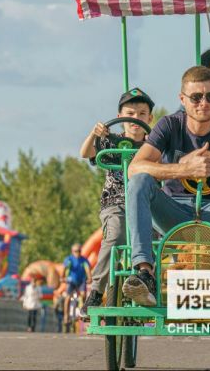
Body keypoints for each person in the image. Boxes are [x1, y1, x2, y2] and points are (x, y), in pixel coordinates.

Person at [121, 66, 210, 306]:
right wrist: (183, 169)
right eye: (196, 97)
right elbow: (134, 168)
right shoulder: (169, 125)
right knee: (140, 181)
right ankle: (144, 273)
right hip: (173, 215)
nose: (203, 103)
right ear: (183, 99)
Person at [78, 87, 156, 319]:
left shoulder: (153, 146)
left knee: (160, 237)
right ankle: (95, 292)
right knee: (117, 232)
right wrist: (95, 134)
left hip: (145, 206)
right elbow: (86, 153)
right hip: (116, 203)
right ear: (120, 116)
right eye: (130, 114)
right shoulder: (111, 141)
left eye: (142, 114)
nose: (136, 119)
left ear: (149, 119)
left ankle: (150, 285)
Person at [62, 243, 91, 326]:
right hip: (72, 281)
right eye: (75, 251)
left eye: (79, 251)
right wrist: (62, 277)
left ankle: (83, 312)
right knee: (67, 297)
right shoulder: (69, 259)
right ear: (72, 251)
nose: (77, 253)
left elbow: (88, 269)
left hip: (81, 281)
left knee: (84, 295)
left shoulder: (84, 260)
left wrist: (89, 278)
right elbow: (65, 268)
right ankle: (66, 316)